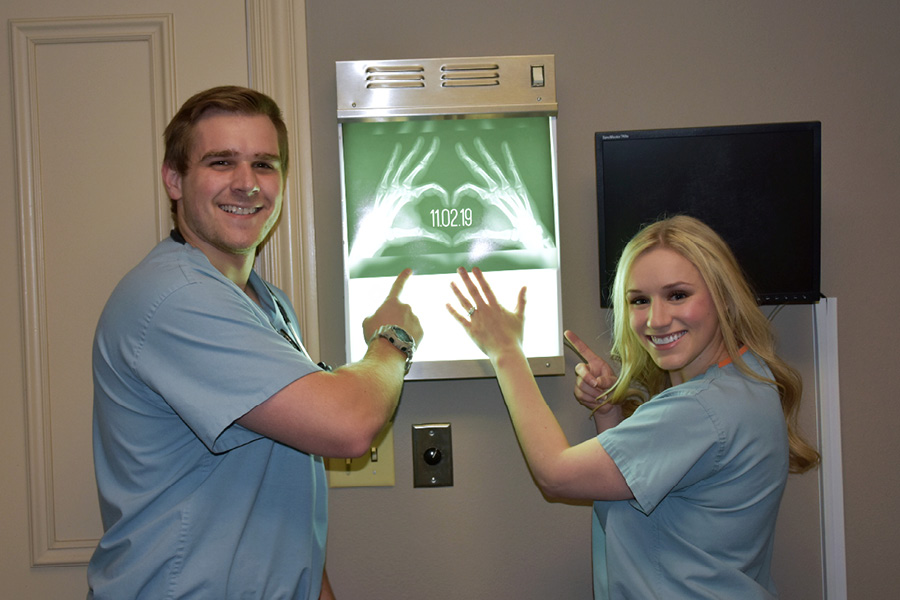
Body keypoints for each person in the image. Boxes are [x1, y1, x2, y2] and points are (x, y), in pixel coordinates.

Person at [87, 85, 422, 600]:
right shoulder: (175, 299)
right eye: (221, 162)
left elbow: (281, 491)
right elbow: (349, 426)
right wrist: (392, 340)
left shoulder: (265, 302)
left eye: (264, 165)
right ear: (174, 179)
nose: (247, 185)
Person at [447, 215, 818, 599]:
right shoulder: (750, 380)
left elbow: (555, 475)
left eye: (677, 295)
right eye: (639, 300)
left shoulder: (698, 409)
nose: (656, 320)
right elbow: (636, 488)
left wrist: (505, 350)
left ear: (722, 295)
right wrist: (610, 413)